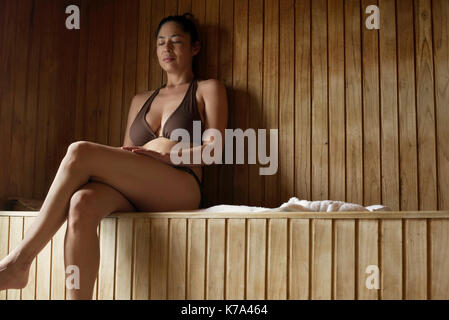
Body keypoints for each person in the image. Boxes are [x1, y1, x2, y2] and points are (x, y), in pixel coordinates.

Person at [0, 12, 228, 300]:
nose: (166, 49)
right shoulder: (140, 100)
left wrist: (168, 157)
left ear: (195, 47)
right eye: (160, 43)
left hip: (181, 183)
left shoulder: (208, 89)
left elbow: (215, 150)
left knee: (79, 151)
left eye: (176, 41)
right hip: (138, 187)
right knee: (81, 202)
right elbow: (126, 153)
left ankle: (18, 263)